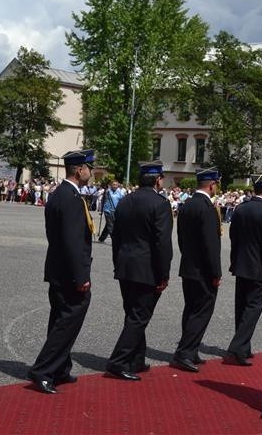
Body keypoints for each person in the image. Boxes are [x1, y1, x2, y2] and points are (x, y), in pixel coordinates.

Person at [27, 149, 95, 394]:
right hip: (69, 273)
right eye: (89, 167)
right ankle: (43, 370)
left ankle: (60, 367)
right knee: (68, 320)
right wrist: (81, 276)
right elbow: (72, 242)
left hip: (57, 268)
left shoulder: (60, 194)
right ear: (79, 170)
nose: (91, 171)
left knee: (58, 318)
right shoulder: (71, 198)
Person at [105, 161, 173, 381]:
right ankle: (118, 362)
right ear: (157, 179)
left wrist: (118, 262)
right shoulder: (160, 204)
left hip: (125, 266)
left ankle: (136, 359)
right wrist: (164, 273)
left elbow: (116, 236)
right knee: (139, 317)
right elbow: (162, 243)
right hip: (147, 269)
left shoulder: (125, 201)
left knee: (133, 313)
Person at [171, 167, 223, 373]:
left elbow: (182, 238)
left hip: (189, 266)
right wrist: (216, 272)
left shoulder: (188, 205)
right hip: (203, 270)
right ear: (211, 184)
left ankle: (190, 350)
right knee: (201, 311)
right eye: (216, 183)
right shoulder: (206, 208)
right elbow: (211, 245)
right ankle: (184, 352)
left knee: (191, 309)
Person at [225, 172, 262, 366]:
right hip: (259, 269)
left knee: (242, 307)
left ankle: (243, 348)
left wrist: (235, 260)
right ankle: (238, 347)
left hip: (241, 264)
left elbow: (233, 237)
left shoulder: (240, 209)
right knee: (253, 309)